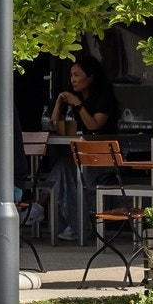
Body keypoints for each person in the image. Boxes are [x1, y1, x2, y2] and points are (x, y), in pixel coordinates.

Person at [48, 54, 119, 242]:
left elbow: (94, 126)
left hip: (102, 160)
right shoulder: (75, 100)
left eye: (77, 75)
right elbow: (54, 127)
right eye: (71, 75)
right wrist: (58, 104)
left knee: (68, 170)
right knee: (63, 168)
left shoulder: (104, 99)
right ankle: (72, 222)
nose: (73, 79)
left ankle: (72, 222)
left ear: (91, 77)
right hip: (81, 158)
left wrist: (78, 105)